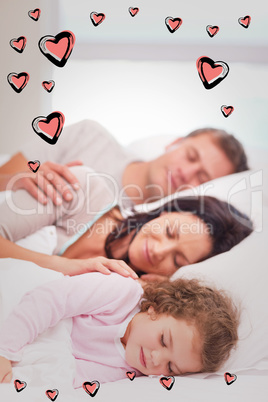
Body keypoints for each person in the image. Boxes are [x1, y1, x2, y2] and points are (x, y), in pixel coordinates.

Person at [0, 166, 253, 279]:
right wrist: (64, 266)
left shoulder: (129, 289)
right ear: (164, 213)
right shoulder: (85, 188)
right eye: (170, 232)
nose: (158, 250)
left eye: (177, 261)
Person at [0, 273, 239, 386]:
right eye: (164, 340)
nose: (156, 360)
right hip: (27, 311)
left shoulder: (130, 373)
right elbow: (51, 299)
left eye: (170, 367)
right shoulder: (121, 294)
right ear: (157, 309)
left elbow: (69, 376)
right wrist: (4, 350)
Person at [0, 120, 249, 207]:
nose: (187, 173)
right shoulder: (88, 136)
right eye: (191, 156)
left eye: (202, 178)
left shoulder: (157, 236)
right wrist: (20, 180)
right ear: (175, 142)